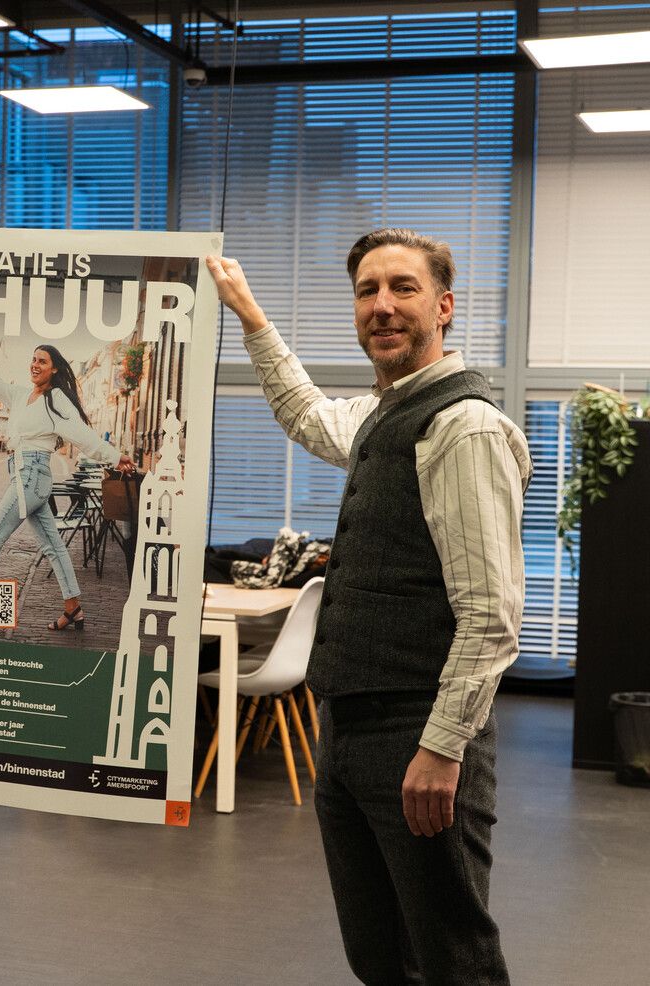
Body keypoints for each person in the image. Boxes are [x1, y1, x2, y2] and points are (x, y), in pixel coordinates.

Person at [206, 229, 530, 985]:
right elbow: (307, 414)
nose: (382, 306)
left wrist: (442, 747)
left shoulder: (463, 426)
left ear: (444, 307)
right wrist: (251, 316)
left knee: (454, 962)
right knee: (381, 959)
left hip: (417, 733)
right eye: (367, 291)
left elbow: (490, 615)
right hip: (348, 729)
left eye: (403, 288)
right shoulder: (385, 414)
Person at [0, 345, 135, 631]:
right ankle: (73, 608)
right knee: (54, 546)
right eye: (33, 359)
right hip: (24, 474)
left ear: (54, 369)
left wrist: (115, 458)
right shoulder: (21, 396)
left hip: (31, 475)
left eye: (42, 361)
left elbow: (83, 435)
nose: (35, 365)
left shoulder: (57, 400)